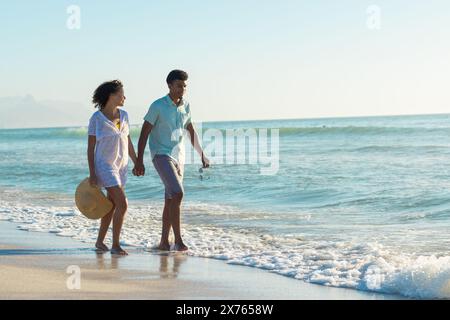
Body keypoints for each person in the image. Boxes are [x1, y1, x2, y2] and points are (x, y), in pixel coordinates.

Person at [135, 70, 210, 251]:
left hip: (179, 157)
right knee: (178, 193)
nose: (182, 89)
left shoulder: (186, 106)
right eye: (178, 85)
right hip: (161, 154)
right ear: (169, 85)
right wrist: (139, 160)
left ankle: (163, 243)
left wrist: (201, 154)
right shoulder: (158, 106)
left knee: (170, 199)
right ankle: (178, 240)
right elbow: (144, 133)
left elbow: (191, 131)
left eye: (184, 86)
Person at [87, 80, 138, 255]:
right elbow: (90, 147)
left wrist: (137, 161)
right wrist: (92, 173)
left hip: (122, 166)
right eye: (121, 94)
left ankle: (100, 242)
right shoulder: (96, 118)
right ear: (111, 96)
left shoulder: (124, 115)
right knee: (122, 204)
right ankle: (115, 245)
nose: (124, 97)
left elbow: (128, 140)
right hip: (104, 166)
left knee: (111, 205)